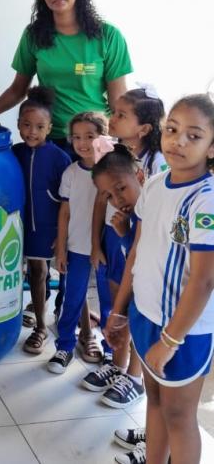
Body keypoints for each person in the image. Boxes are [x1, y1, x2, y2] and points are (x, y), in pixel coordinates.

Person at [105, 94, 214, 464]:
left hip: (181, 332)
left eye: (194, 135)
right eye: (172, 130)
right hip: (144, 315)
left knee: (180, 416)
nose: (178, 141)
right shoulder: (154, 184)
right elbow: (138, 249)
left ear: (212, 147)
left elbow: (203, 282)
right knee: (154, 402)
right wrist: (120, 311)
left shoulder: (205, 201)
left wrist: (170, 341)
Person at [0, 0, 132, 151]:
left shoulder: (108, 36)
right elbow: (17, 90)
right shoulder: (33, 35)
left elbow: (118, 99)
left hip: (96, 140)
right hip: (50, 140)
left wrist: (128, 142)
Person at [85, 88, 166, 408]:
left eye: (121, 115)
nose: (112, 118)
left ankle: (133, 376)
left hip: (140, 244)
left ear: (144, 128)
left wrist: (127, 228)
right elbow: (101, 198)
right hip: (117, 237)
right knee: (117, 299)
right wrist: (98, 241)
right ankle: (117, 365)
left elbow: (153, 215)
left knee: (136, 307)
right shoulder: (114, 153)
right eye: (113, 112)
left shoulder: (157, 163)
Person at [48, 112, 109, 373]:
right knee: (72, 298)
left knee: (109, 302)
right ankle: (64, 347)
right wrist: (60, 247)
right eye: (76, 137)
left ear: (103, 137)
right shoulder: (71, 172)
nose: (83, 143)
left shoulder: (113, 170)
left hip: (109, 250)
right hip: (77, 247)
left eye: (90, 136)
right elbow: (65, 212)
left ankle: (111, 350)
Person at [11, 86, 70, 354]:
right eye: (26, 125)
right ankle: (17, 316)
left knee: (43, 272)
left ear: (49, 128)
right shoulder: (15, 152)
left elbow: (68, 201)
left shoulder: (60, 158)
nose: (31, 131)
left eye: (39, 126)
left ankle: (42, 328)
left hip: (48, 229)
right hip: (19, 228)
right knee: (22, 271)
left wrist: (62, 234)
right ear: (18, 125)